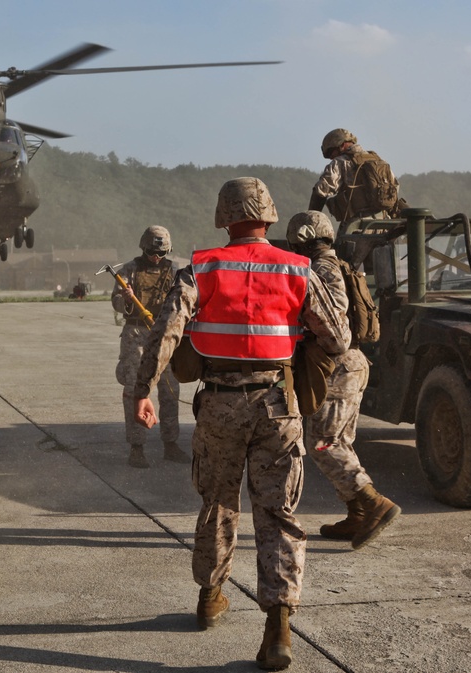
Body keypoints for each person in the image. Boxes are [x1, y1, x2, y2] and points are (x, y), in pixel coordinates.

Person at [134, 178, 348, 670]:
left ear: (224, 218)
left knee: (218, 503)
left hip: (219, 406)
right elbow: (337, 337)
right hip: (279, 405)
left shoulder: (202, 268)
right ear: (270, 217)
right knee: (278, 514)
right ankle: (278, 629)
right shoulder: (299, 269)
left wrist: (143, 389)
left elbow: (167, 330)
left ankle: (211, 598)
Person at [286, 210, 401, 550]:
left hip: (338, 363)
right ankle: (357, 514)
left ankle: (373, 502)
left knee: (324, 443)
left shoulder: (321, 269)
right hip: (351, 363)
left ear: (303, 239)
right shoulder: (340, 264)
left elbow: (335, 328)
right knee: (340, 441)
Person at [111, 226, 190, 468]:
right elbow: (115, 301)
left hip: (163, 335)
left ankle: (170, 444)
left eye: (161, 253)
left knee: (169, 390)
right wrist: (124, 299)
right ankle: (137, 447)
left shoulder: (176, 271)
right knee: (136, 391)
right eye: (151, 252)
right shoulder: (129, 270)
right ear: (143, 248)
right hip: (136, 334)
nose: (156, 258)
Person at [308, 128, 401, 234]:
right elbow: (395, 189)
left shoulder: (340, 162)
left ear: (341, 145)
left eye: (330, 152)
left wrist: (310, 221)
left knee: (341, 249)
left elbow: (321, 191)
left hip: (358, 227)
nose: (331, 157)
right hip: (384, 226)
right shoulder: (379, 161)